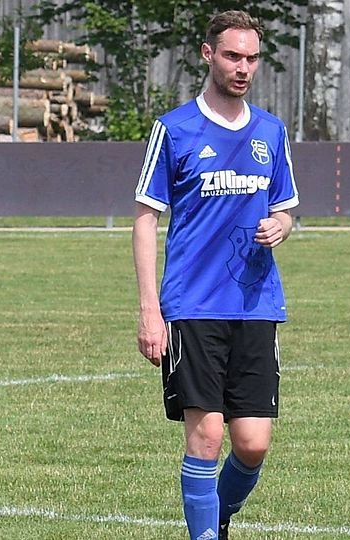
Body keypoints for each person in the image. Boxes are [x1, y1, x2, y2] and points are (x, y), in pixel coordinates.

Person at [132, 10, 299, 540]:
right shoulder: (174, 129)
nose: (243, 67)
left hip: (256, 304)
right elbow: (145, 220)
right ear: (208, 55)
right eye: (232, 56)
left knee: (252, 445)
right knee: (205, 438)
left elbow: (286, 209)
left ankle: (215, 518)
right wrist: (150, 310)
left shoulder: (271, 131)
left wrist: (280, 226)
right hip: (193, 305)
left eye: (251, 58)